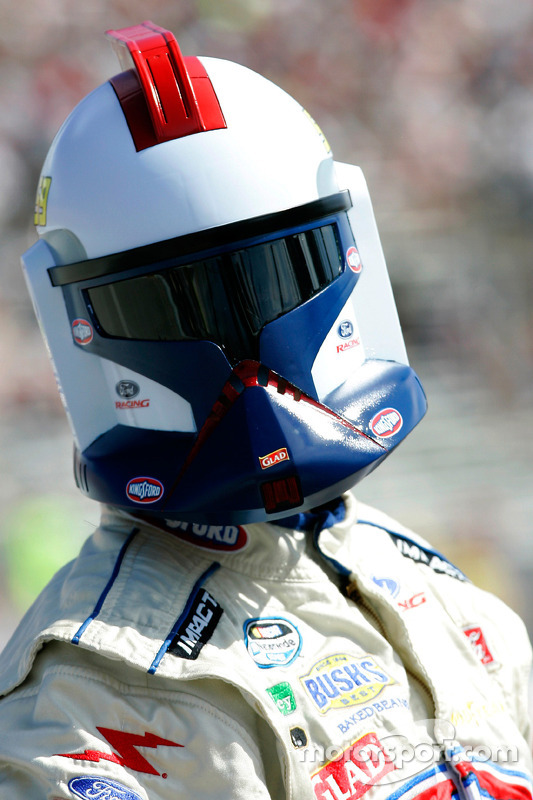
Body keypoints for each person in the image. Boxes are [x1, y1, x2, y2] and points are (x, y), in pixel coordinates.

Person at [0, 20, 531, 800]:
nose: (248, 359)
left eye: (275, 282)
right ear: (79, 329)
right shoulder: (89, 704)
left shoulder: (434, 586)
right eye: (177, 308)